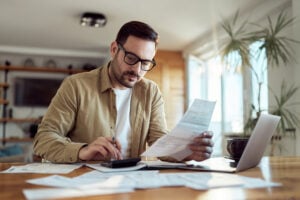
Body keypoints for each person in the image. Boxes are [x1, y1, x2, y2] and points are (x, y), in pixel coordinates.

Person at [33, 21, 214, 163]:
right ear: (114, 50)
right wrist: (83, 150)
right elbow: (43, 139)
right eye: (131, 58)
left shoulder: (150, 92)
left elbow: (159, 142)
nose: (137, 70)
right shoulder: (75, 86)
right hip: (84, 181)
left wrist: (187, 153)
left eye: (145, 63)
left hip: (131, 182)